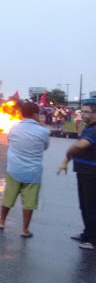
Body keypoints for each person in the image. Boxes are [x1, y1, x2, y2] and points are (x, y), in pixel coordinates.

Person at [0, 102, 50, 238]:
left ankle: (2, 221)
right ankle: (25, 230)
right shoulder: (43, 131)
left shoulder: (14, 127)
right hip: (33, 172)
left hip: (14, 169)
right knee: (29, 202)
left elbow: (10, 141)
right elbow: (45, 147)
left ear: (22, 113)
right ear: (36, 114)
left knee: (8, 196)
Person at [57, 103, 96, 250]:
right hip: (83, 172)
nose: (83, 114)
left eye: (87, 112)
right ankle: (87, 233)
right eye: (82, 111)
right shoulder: (88, 128)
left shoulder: (94, 130)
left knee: (91, 206)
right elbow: (78, 150)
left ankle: (92, 240)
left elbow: (80, 146)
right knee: (84, 206)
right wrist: (65, 161)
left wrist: (71, 149)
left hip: (91, 174)